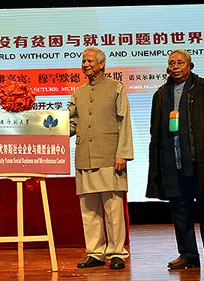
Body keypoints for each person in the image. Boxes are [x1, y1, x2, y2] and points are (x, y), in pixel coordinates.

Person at [146, 50, 204, 271]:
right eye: (171, 63)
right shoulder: (161, 94)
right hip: (173, 162)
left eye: (180, 62)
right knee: (180, 212)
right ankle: (188, 255)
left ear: (190, 65)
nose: (175, 66)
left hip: (203, 162)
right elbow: (155, 132)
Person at [69, 46, 133, 270]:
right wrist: (46, 127)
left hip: (110, 156)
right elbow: (72, 124)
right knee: (89, 209)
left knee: (113, 208)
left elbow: (124, 121)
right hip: (84, 156)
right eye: (83, 61)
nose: (85, 64)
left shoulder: (116, 88)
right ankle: (95, 252)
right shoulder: (78, 93)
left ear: (102, 64)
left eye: (90, 61)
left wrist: (123, 154)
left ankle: (117, 253)